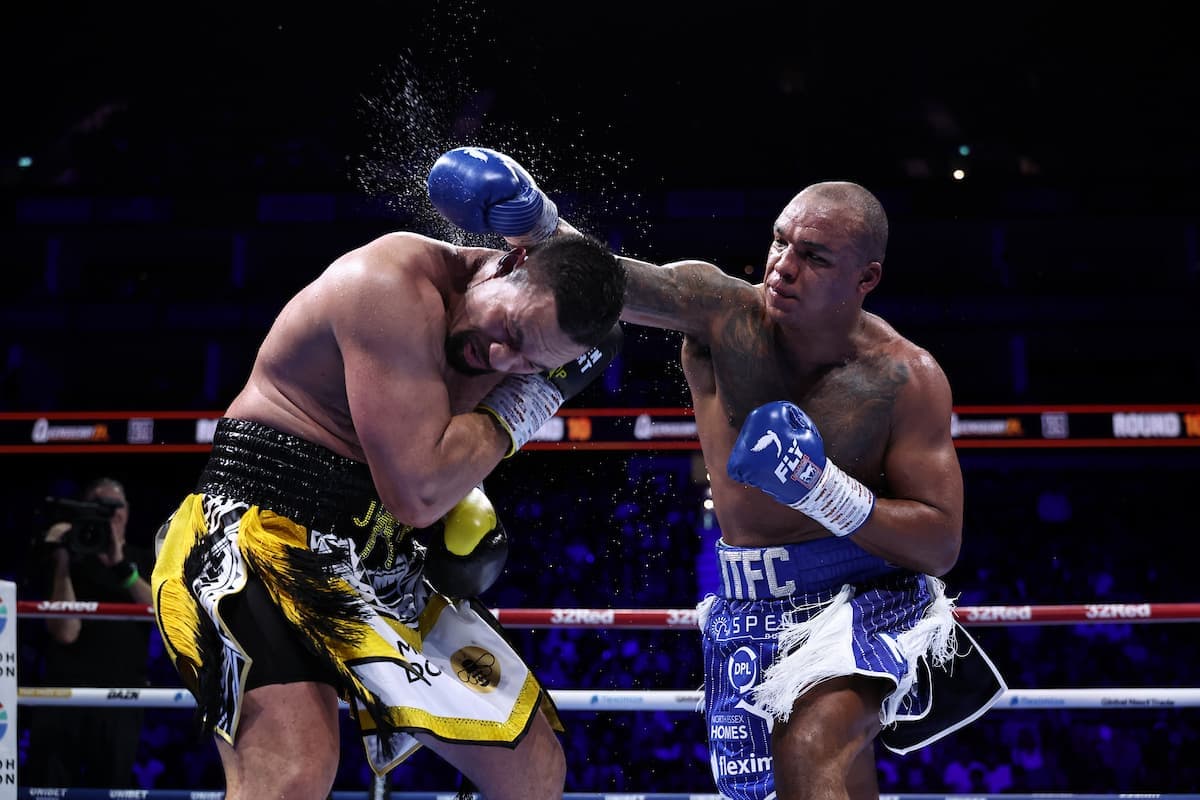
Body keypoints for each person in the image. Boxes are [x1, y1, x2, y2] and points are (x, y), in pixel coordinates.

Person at [428, 148, 1007, 800]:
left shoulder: (904, 378)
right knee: (798, 783)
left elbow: (941, 541)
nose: (782, 268)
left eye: (814, 258)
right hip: (748, 603)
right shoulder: (720, 312)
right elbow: (610, 284)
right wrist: (537, 222)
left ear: (865, 279)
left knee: (812, 750)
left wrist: (824, 490)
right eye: (780, 243)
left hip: (864, 597)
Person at [150, 162, 627, 800]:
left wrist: (552, 244)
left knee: (532, 770)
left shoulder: (535, 322)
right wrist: (524, 404)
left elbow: (616, 314)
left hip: (374, 553)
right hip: (254, 533)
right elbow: (420, 493)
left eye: (533, 364)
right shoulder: (391, 287)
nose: (502, 359)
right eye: (508, 332)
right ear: (507, 263)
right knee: (290, 774)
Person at [24, 477, 155, 787]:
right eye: (98, 505)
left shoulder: (142, 560)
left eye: (114, 506)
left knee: (112, 788)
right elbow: (65, 631)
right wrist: (62, 563)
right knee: (51, 789)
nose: (108, 513)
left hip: (121, 699)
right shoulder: (64, 561)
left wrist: (119, 565)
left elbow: (159, 612)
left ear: (127, 512)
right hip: (64, 697)